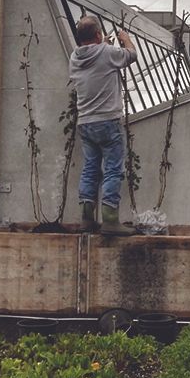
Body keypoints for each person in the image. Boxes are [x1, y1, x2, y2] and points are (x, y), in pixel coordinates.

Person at [69, 15, 138, 235]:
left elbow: (96, 58)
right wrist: (125, 39)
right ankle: (110, 220)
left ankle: (87, 220)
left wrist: (103, 45)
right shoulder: (107, 53)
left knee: (90, 169)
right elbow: (131, 55)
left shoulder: (75, 57)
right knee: (112, 169)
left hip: (86, 122)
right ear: (98, 35)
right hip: (108, 121)